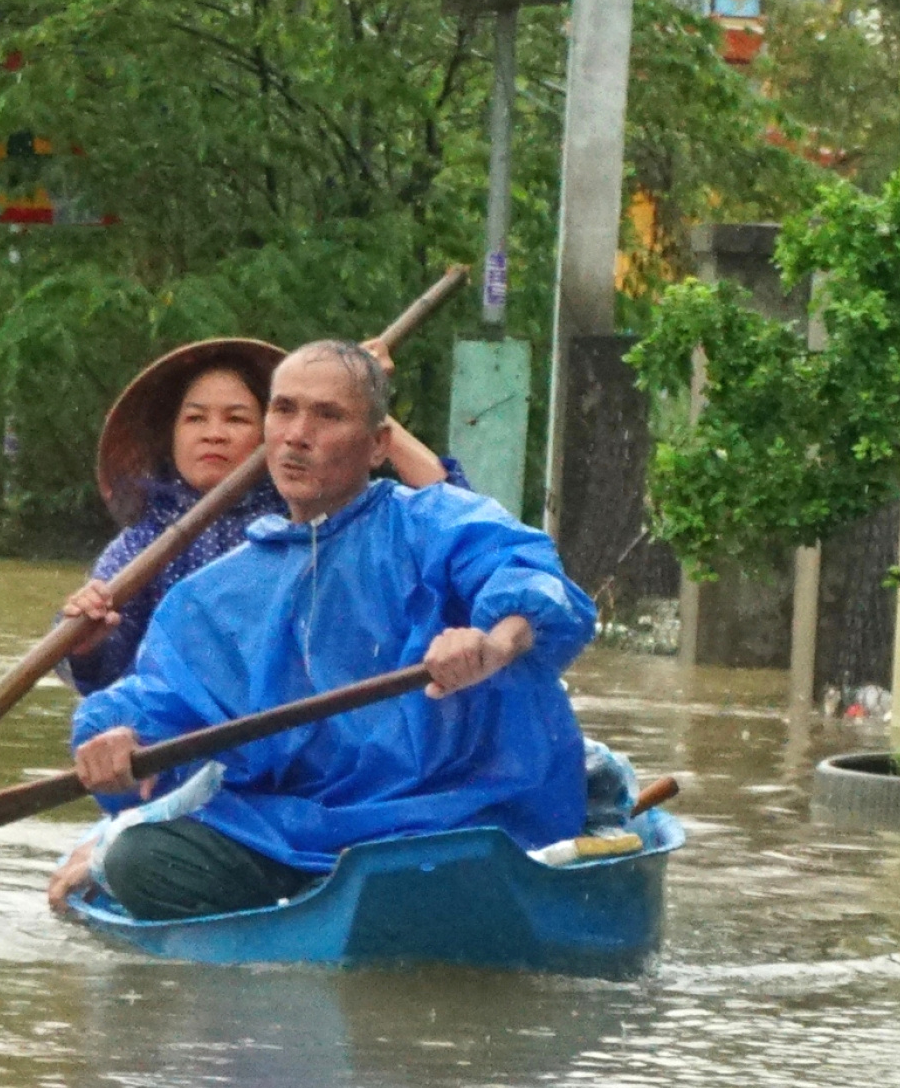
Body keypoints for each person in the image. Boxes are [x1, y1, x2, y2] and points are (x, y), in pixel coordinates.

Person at [46, 340, 594, 920]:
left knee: (430, 865)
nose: (297, 435)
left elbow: (533, 582)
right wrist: (116, 740)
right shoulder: (211, 593)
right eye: (283, 410)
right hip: (297, 831)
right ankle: (310, 913)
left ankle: (353, 907)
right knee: (138, 860)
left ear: (378, 445)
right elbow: (158, 703)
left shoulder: (435, 521)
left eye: (328, 416)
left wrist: (492, 645)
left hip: (448, 817)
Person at [58, 337, 465, 694]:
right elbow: (101, 678)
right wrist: (84, 643)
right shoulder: (141, 543)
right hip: (183, 729)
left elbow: (455, 515)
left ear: (269, 433)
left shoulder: (310, 516)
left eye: (236, 419)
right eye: (195, 418)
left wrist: (357, 395)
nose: (213, 434)